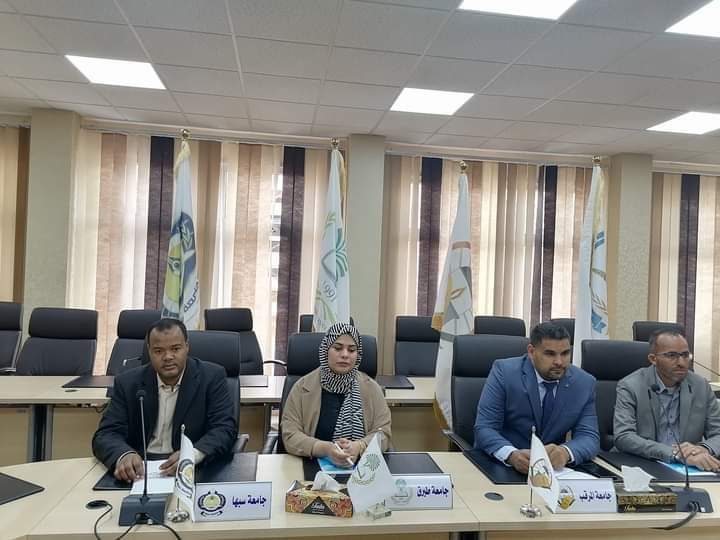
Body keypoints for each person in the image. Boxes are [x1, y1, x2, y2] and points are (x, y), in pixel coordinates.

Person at [93, 318, 237, 481]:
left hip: (190, 470)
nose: (168, 357)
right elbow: (106, 433)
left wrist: (192, 454)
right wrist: (124, 454)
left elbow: (224, 428)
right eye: (158, 351)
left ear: (187, 347)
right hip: (140, 471)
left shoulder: (211, 377)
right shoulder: (128, 383)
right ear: (149, 351)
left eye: (175, 349)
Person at [474, 322, 600, 473]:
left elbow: (589, 436)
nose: (559, 362)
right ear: (531, 351)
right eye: (550, 354)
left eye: (565, 353)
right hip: (502, 465)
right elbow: (485, 428)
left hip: (552, 471)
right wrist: (511, 454)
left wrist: (565, 452)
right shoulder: (504, 372)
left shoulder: (584, 383)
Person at [281, 322, 391, 466]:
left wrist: (359, 446)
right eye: (337, 348)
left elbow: (383, 433)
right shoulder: (302, 388)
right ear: (326, 350)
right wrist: (325, 449)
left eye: (351, 350)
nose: (345, 355)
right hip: (310, 465)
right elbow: (290, 434)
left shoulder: (371, 389)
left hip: (362, 468)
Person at [614, 330, 720, 471]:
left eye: (685, 355)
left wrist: (702, 449)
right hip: (642, 464)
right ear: (653, 359)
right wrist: (675, 453)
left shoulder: (700, 385)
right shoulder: (631, 385)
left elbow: (718, 432)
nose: (681, 362)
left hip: (689, 468)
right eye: (672, 356)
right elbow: (624, 437)